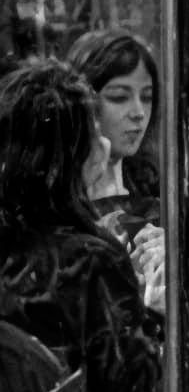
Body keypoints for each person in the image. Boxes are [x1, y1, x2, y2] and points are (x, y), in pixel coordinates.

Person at [0, 60, 161, 392]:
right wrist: (155, 316)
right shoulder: (90, 262)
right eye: (93, 132)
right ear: (73, 154)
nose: (103, 142)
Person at [66, 27, 161, 239]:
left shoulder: (157, 190)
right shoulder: (58, 206)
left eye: (147, 97)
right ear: (84, 102)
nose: (138, 113)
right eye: (119, 97)